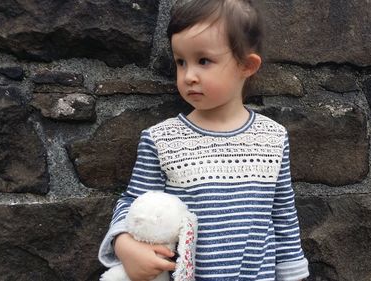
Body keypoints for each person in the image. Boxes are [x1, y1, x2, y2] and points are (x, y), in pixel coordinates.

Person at [98, 0, 310, 280]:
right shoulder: (162, 140)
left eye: (204, 61)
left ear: (247, 65)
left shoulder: (272, 138)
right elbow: (133, 205)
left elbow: (283, 218)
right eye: (180, 62)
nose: (189, 76)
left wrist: (293, 275)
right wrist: (123, 244)